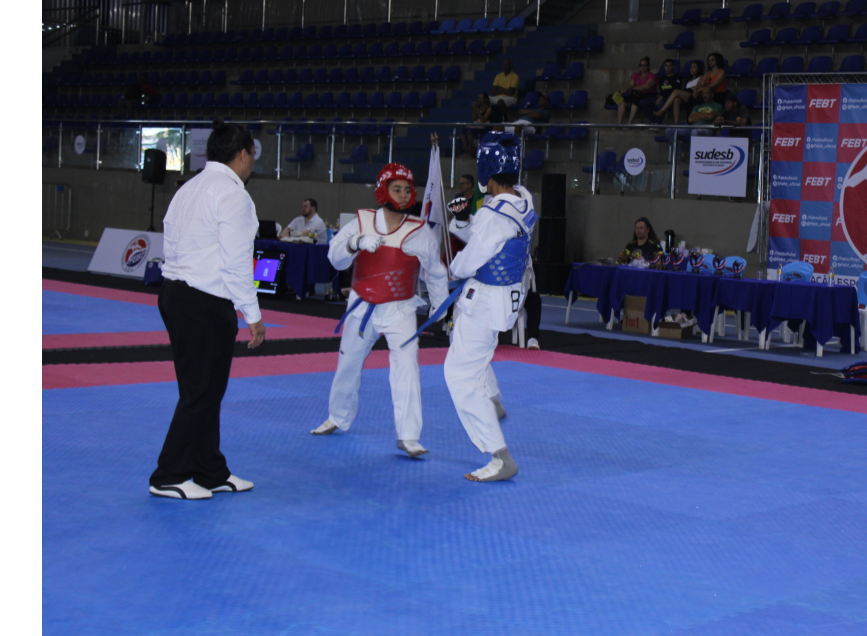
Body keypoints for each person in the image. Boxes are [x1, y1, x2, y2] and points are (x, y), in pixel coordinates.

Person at [149, 119, 265, 500]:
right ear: (244, 155)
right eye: (252, 156)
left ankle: (209, 469)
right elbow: (236, 261)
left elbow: (171, 237)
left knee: (205, 390)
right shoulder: (233, 195)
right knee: (201, 391)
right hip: (204, 299)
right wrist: (253, 314)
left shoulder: (189, 187)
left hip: (176, 293)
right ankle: (168, 475)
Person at [311, 163, 449, 458]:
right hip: (361, 305)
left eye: (407, 189)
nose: (402, 195)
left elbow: (435, 272)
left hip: (401, 308)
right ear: (382, 191)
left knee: (407, 367)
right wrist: (354, 242)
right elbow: (335, 259)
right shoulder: (362, 221)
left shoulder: (419, 230)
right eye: (396, 189)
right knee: (348, 364)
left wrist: (440, 306)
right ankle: (338, 417)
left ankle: (409, 436)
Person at [444, 132, 538, 482]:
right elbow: (491, 243)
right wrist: (466, 221)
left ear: (486, 169)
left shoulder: (494, 214)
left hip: (483, 300)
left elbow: (467, 263)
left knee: (458, 375)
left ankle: (500, 457)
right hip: (509, 297)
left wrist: (451, 268)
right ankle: (494, 401)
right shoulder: (523, 200)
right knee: (473, 354)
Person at [653, 60, 703, 124]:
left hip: (694, 96)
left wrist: (692, 89)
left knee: (676, 91)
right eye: (691, 67)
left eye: (694, 67)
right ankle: (676, 124)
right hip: (687, 96)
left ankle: (661, 111)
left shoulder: (701, 77)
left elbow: (698, 87)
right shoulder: (688, 80)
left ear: (699, 69)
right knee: (676, 100)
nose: (691, 69)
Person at [617, 57, 657, 126]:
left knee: (635, 104)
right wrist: (625, 90)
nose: (642, 67)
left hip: (646, 95)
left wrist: (632, 88)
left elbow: (646, 87)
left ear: (648, 66)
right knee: (622, 103)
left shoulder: (652, 75)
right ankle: (619, 125)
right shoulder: (635, 75)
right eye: (641, 65)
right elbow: (631, 84)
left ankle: (629, 125)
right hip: (635, 95)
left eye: (645, 65)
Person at [641, 59, 682, 125]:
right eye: (666, 66)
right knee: (642, 102)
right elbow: (661, 90)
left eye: (670, 66)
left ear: (673, 67)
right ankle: (654, 120)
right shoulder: (661, 78)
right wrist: (659, 96)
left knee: (663, 101)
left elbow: (675, 91)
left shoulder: (677, 78)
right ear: (664, 67)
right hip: (661, 97)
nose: (668, 68)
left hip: (670, 98)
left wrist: (661, 97)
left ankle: (657, 123)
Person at [461, 93, 501, 157]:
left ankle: (471, 151)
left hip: (485, 127)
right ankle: (467, 150)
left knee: (470, 131)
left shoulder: (489, 108)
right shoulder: (478, 107)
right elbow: (474, 120)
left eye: (481, 98)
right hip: (477, 126)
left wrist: (477, 110)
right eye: (478, 98)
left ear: (485, 99)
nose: (479, 100)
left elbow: (483, 120)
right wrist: (475, 110)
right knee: (463, 131)